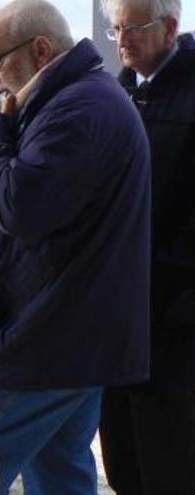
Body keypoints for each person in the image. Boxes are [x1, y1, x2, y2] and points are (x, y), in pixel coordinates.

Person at [0, 1, 151, 493]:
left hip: (40, 344)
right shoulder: (76, 98)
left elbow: (17, 206)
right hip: (64, 338)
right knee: (59, 472)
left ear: (40, 49)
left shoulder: (81, 108)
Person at [98, 1, 195, 493]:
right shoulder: (116, 94)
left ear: (171, 27)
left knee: (172, 457)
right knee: (122, 454)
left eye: (132, 28)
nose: (121, 40)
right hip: (117, 313)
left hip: (173, 316)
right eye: (116, 29)